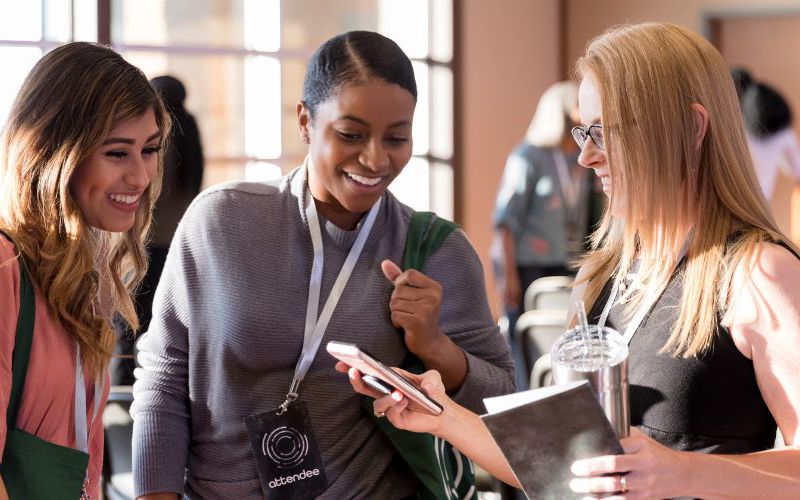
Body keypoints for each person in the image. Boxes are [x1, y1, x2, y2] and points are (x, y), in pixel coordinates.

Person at [342, 22, 800, 499]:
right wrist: (441, 415)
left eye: (604, 132)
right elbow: (563, 466)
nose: (586, 157)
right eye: (584, 131)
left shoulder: (758, 274)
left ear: (691, 128)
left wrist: (680, 472)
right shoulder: (602, 275)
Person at [131, 30, 514, 499]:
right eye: (351, 135)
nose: (375, 159)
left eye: (397, 137)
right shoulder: (222, 221)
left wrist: (435, 346)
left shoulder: (437, 251)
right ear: (305, 121)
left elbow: (503, 407)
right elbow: (165, 376)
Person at [0, 42, 168, 498]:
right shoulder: (6, 270)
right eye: (117, 153)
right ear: (54, 152)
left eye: (149, 149)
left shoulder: (81, 279)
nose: (140, 177)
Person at [491, 81, 591, 389]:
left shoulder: (581, 158)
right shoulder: (527, 157)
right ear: (559, 110)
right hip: (529, 267)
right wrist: (506, 275)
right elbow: (505, 223)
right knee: (526, 342)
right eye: (577, 103)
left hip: (571, 264)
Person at [111, 75, 204, 386]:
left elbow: (147, 192)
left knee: (132, 314)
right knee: (157, 316)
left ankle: (126, 381)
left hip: (149, 237)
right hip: (176, 237)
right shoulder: (191, 131)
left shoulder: (163, 137)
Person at [739, 78, 800, 202]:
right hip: (761, 201)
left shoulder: (740, 128)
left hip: (735, 197)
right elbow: (795, 169)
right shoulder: (784, 133)